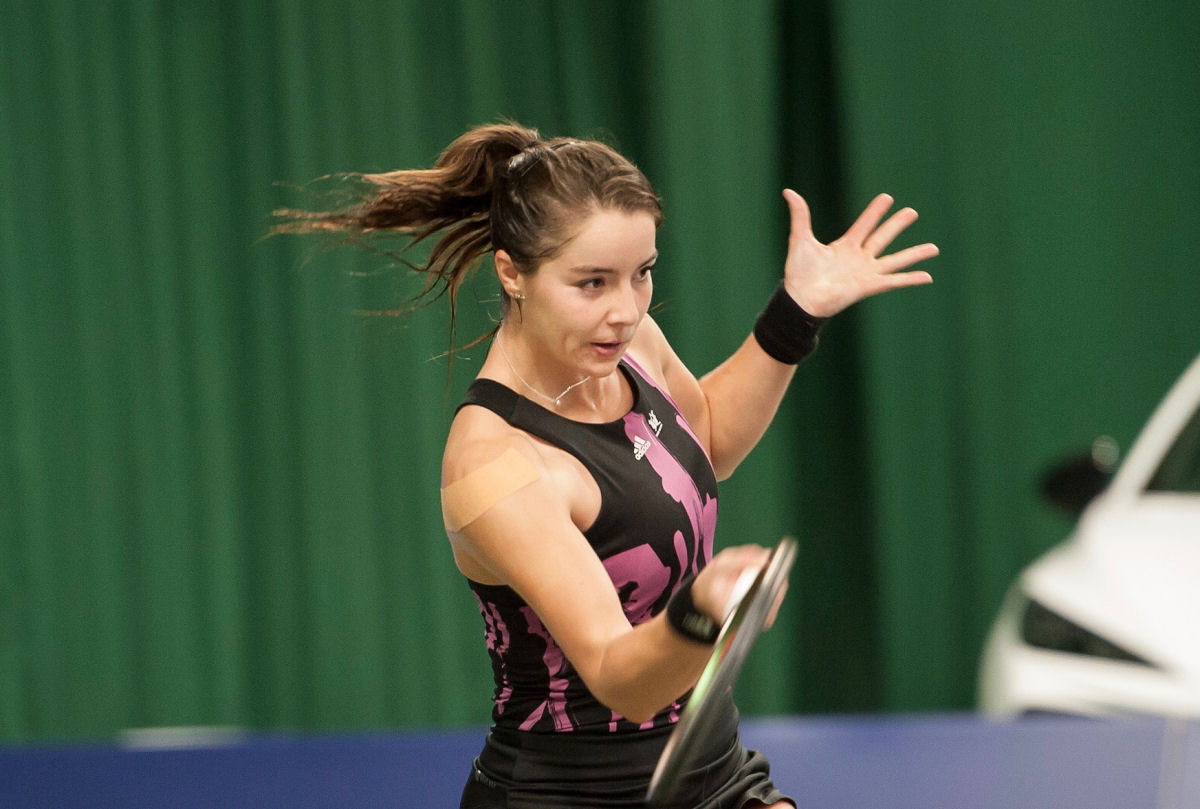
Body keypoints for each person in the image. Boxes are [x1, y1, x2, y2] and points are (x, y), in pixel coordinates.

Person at [274, 122, 936, 808]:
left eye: (642, 273)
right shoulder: (493, 462)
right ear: (512, 272)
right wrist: (700, 614)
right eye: (591, 282)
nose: (625, 309)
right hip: (570, 793)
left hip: (710, 767)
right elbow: (620, 675)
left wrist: (796, 312)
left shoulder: (625, 342)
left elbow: (705, 441)